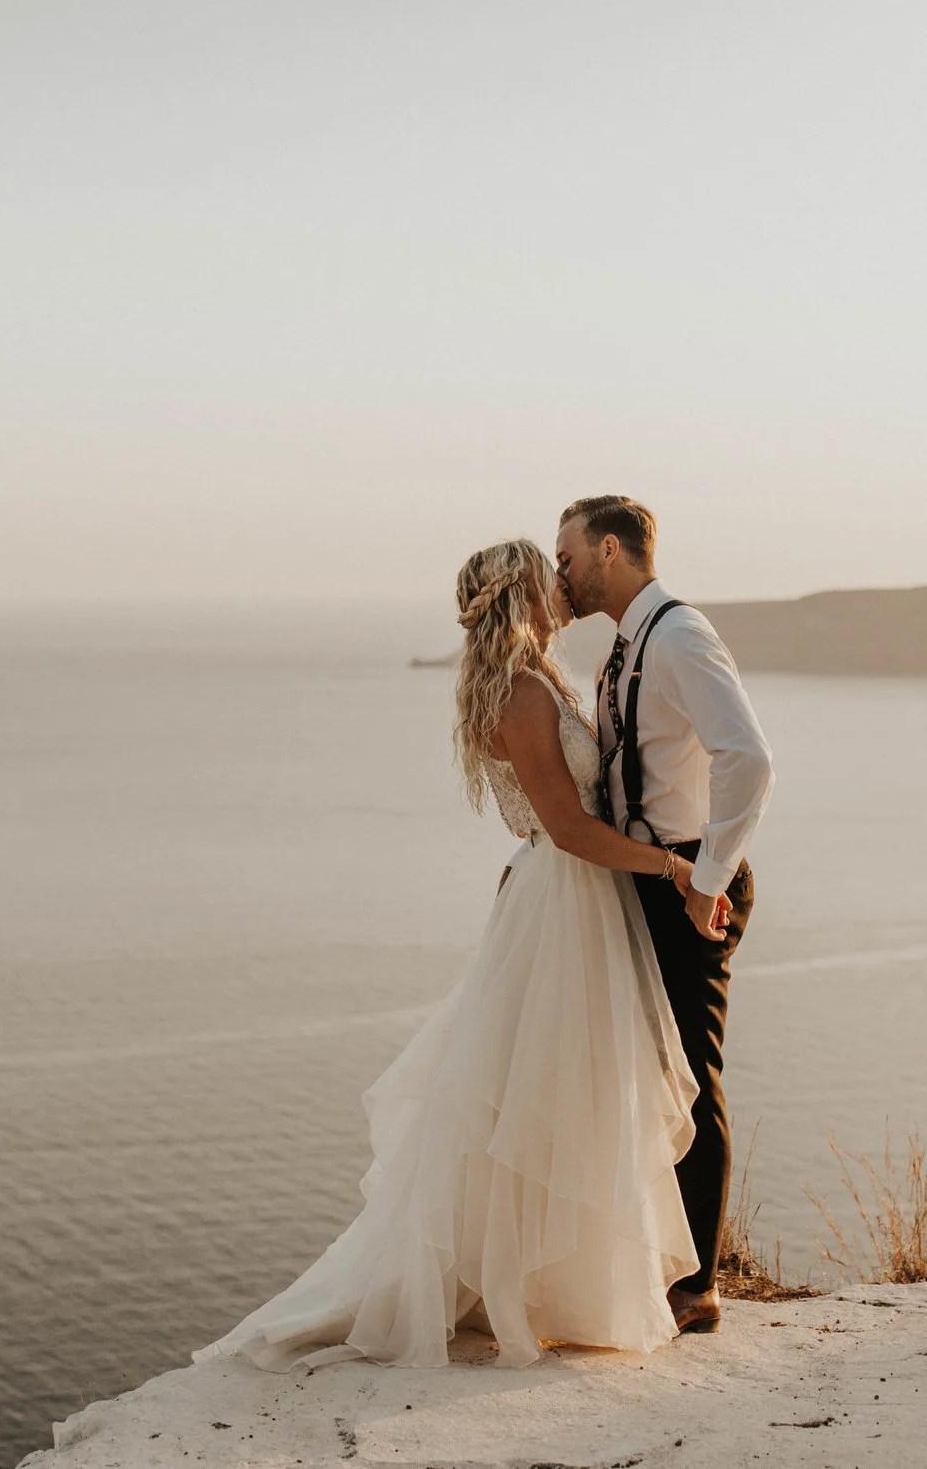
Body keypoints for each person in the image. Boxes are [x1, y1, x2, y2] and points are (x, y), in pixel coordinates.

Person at [192, 538, 702, 1371]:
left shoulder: (535, 679)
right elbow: (568, 828)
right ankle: (531, 1287)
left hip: (568, 897)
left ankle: (561, 1288)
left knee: (564, 1090)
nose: (562, 584)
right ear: (524, 594)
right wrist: (673, 863)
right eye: (550, 574)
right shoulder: (524, 695)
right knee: (546, 1091)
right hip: (564, 900)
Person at [553, 495, 773, 1336]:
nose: (561, 572)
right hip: (648, 877)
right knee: (650, 1075)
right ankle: (654, 1260)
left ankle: (699, 1287)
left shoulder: (678, 636)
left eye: (568, 555)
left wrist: (706, 878)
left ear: (610, 551)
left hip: (688, 883)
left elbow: (748, 762)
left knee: (691, 1073)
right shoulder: (626, 644)